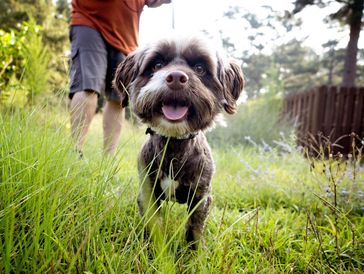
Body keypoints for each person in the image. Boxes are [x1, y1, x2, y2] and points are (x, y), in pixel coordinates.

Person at [69, 0, 171, 156]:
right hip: (89, 22)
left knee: (118, 99)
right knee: (88, 86)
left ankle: (108, 159)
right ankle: (75, 151)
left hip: (125, 39)